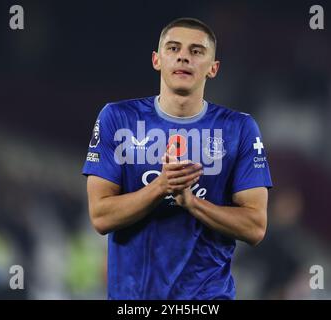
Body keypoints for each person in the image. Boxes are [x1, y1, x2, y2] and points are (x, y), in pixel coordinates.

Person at [82, 17, 273, 299]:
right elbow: (100, 216)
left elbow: (255, 227)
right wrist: (161, 187)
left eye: (196, 51)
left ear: (213, 68)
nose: (183, 56)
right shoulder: (117, 118)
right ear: (157, 60)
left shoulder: (239, 128)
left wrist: (191, 202)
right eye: (173, 48)